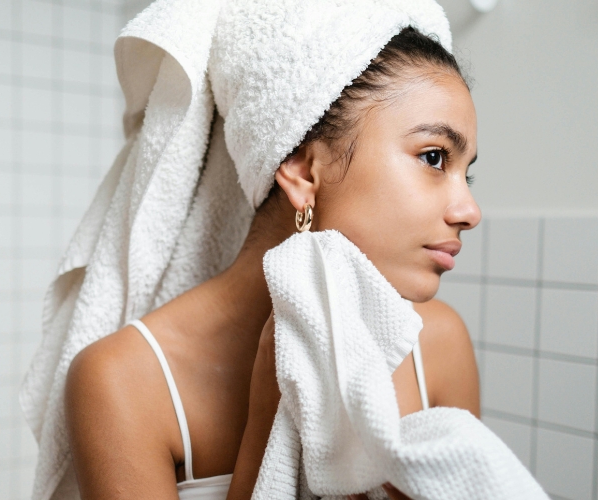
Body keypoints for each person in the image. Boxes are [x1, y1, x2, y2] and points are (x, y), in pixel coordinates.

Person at [63, 23, 482, 499]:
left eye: (468, 173)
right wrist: (267, 425)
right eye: (433, 157)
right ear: (304, 170)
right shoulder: (122, 381)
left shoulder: (441, 344)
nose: (469, 212)